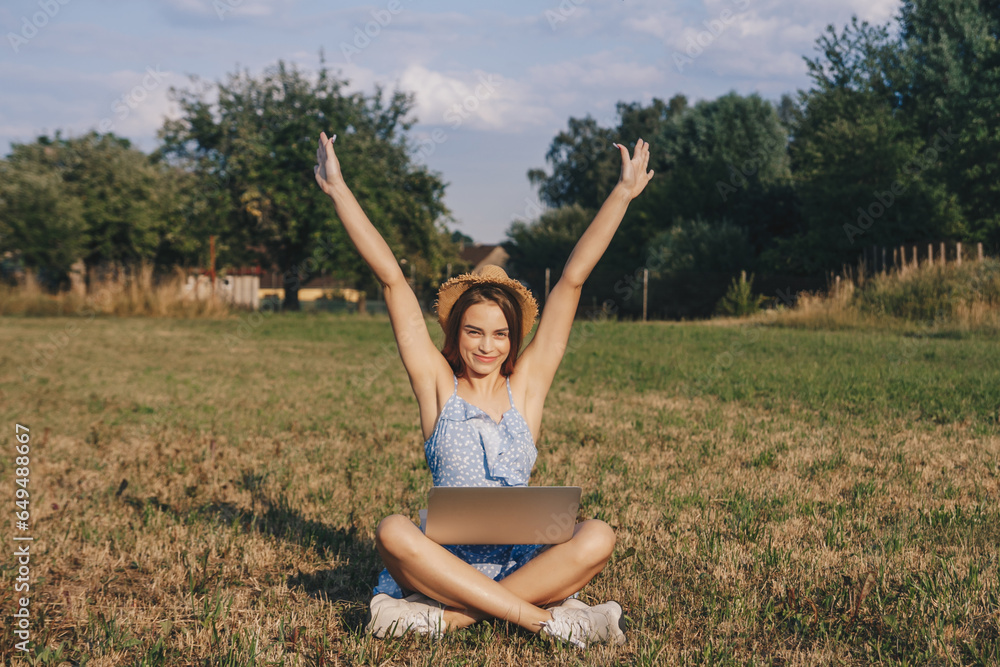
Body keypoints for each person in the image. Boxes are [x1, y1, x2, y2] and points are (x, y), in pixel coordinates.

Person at [314, 130, 654, 648]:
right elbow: (391, 281)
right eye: (474, 332)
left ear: (513, 339)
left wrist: (622, 195)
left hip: (522, 557)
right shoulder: (436, 384)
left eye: (499, 334)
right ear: (457, 334)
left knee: (599, 535)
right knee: (392, 531)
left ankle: (449, 620)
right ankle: (543, 622)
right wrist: (338, 190)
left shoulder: (529, 387)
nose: (487, 346)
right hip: (443, 562)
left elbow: (571, 282)